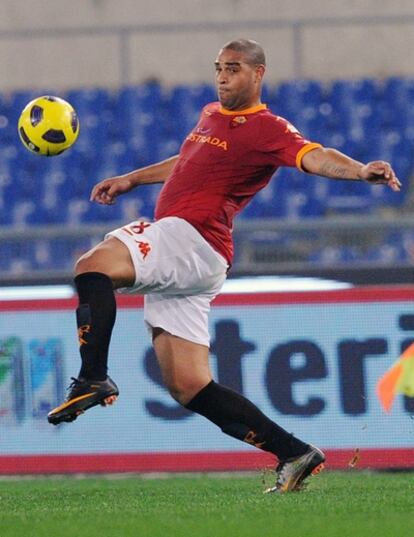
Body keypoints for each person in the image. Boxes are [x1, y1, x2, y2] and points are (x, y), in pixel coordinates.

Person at [47, 39, 401, 493]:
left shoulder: (268, 128)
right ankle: (294, 452)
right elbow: (187, 161)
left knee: (92, 265)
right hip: (195, 257)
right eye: (218, 68)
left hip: (191, 238)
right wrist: (132, 178)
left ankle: (92, 377)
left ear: (257, 74)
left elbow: (314, 156)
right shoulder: (211, 116)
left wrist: (359, 171)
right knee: (188, 385)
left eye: (233, 69)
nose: (222, 77)